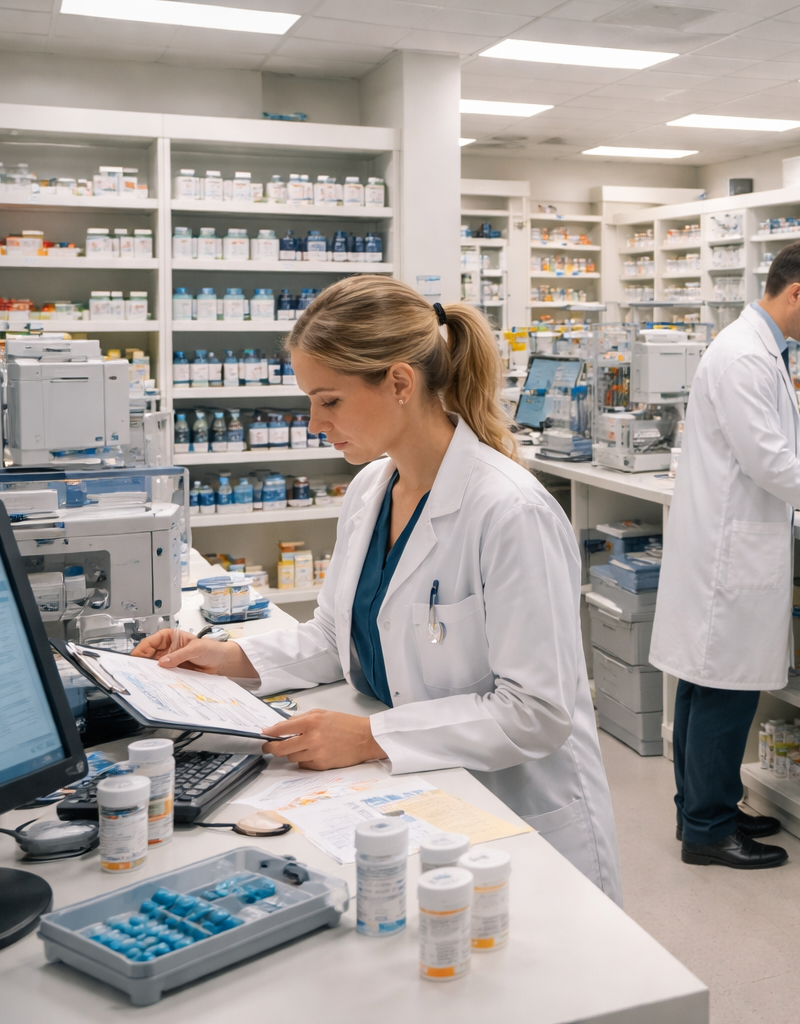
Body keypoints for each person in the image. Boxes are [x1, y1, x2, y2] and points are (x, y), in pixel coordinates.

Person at [132, 277, 622, 904]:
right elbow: (342, 633)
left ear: (398, 383)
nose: (314, 423)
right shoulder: (371, 489)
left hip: (517, 812)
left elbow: (538, 713)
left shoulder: (509, 510)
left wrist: (367, 737)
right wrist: (232, 660)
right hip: (421, 796)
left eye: (329, 400)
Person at [651, 241, 800, 870]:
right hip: (727, 553)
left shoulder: (758, 350)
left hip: (729, 543)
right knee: (722, 694)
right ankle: (706, 829)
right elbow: (768, 461)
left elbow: (784, 449)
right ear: (794, 293)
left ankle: (706, 807)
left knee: (707, 690)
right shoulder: (742, 358)